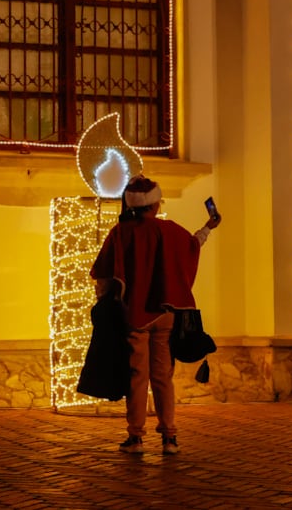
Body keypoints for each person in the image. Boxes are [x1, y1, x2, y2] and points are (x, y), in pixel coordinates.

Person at [90, 175, 220, 455]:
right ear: (154, 204)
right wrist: (208, 227)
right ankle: (169, 437)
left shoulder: (121, 233)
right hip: (166, 314)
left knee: (138, 376)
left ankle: (136, 437)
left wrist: (106, 304)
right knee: (163, 376)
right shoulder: (170, 230)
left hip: (135, 315)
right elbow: (192, 247)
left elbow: (104, 275)